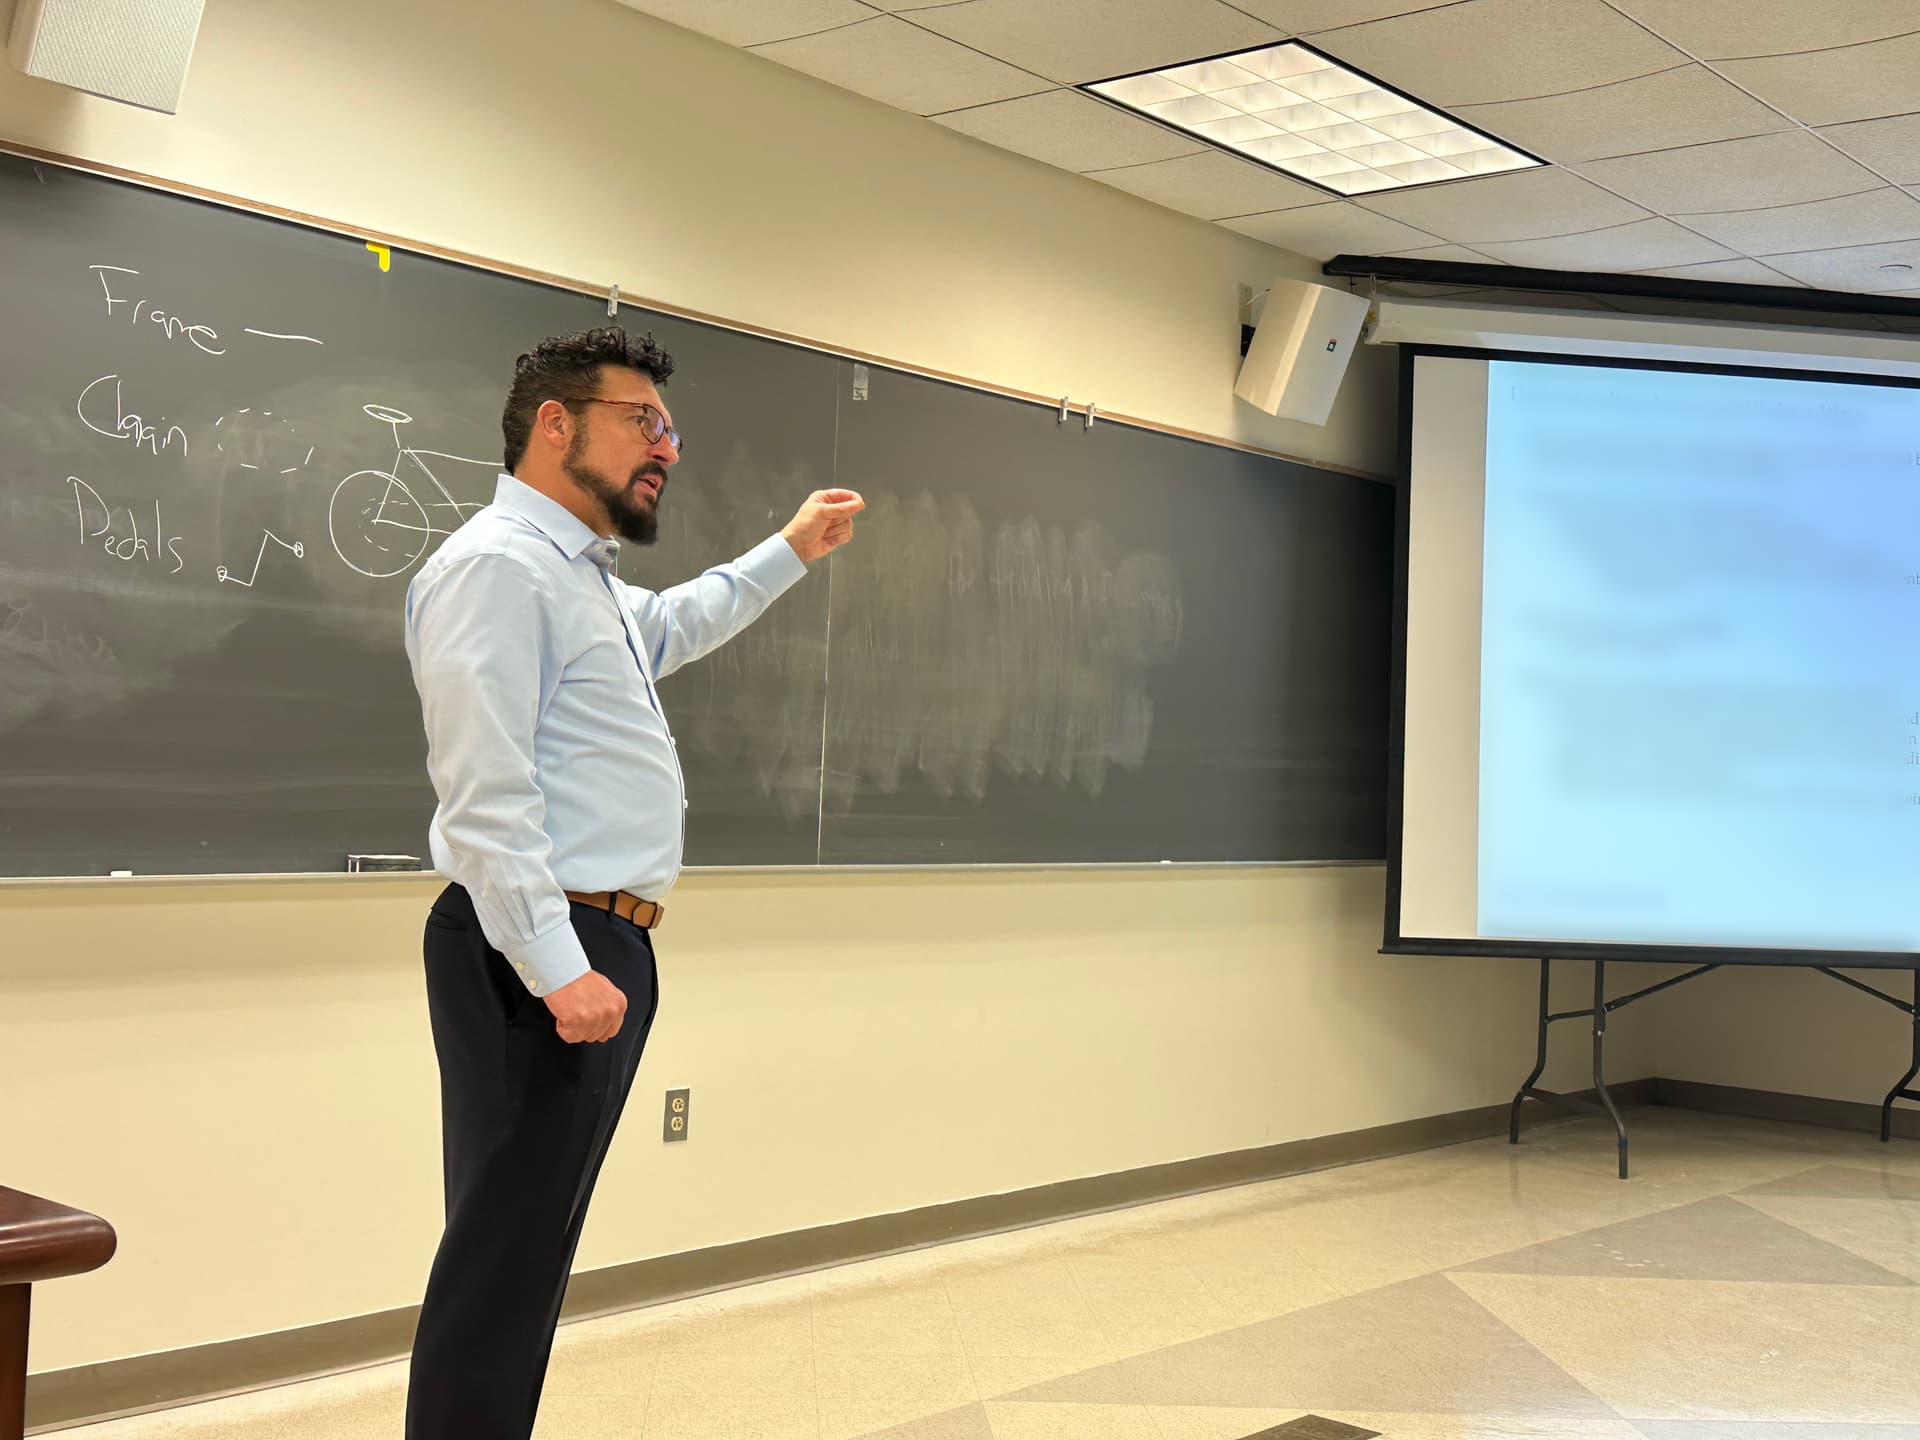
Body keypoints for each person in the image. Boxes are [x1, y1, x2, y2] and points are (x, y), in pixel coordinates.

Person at [401, 326, 862, 1440]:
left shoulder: (579, 580)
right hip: (541, 952)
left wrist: (790, 549)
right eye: (641, 422)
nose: (668, 446)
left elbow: (677, 621)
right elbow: (485, 797)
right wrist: (559, 968)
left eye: (670, 428)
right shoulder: (496, 570)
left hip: (592, 948)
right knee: (503, 1264)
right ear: (554, 425)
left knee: (526, 1253)